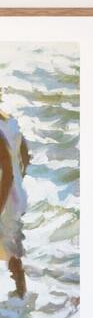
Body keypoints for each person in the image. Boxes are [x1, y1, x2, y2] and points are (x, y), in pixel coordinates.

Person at [0, 94, 28, 299]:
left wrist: (1, 204)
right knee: (11, 248)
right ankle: (21, 296)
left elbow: (7, 170)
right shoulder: (10, 121)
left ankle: (20, 296)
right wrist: (20, 181)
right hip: (16, 193)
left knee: (10, 248)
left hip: (6, 195)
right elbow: (25, 156)